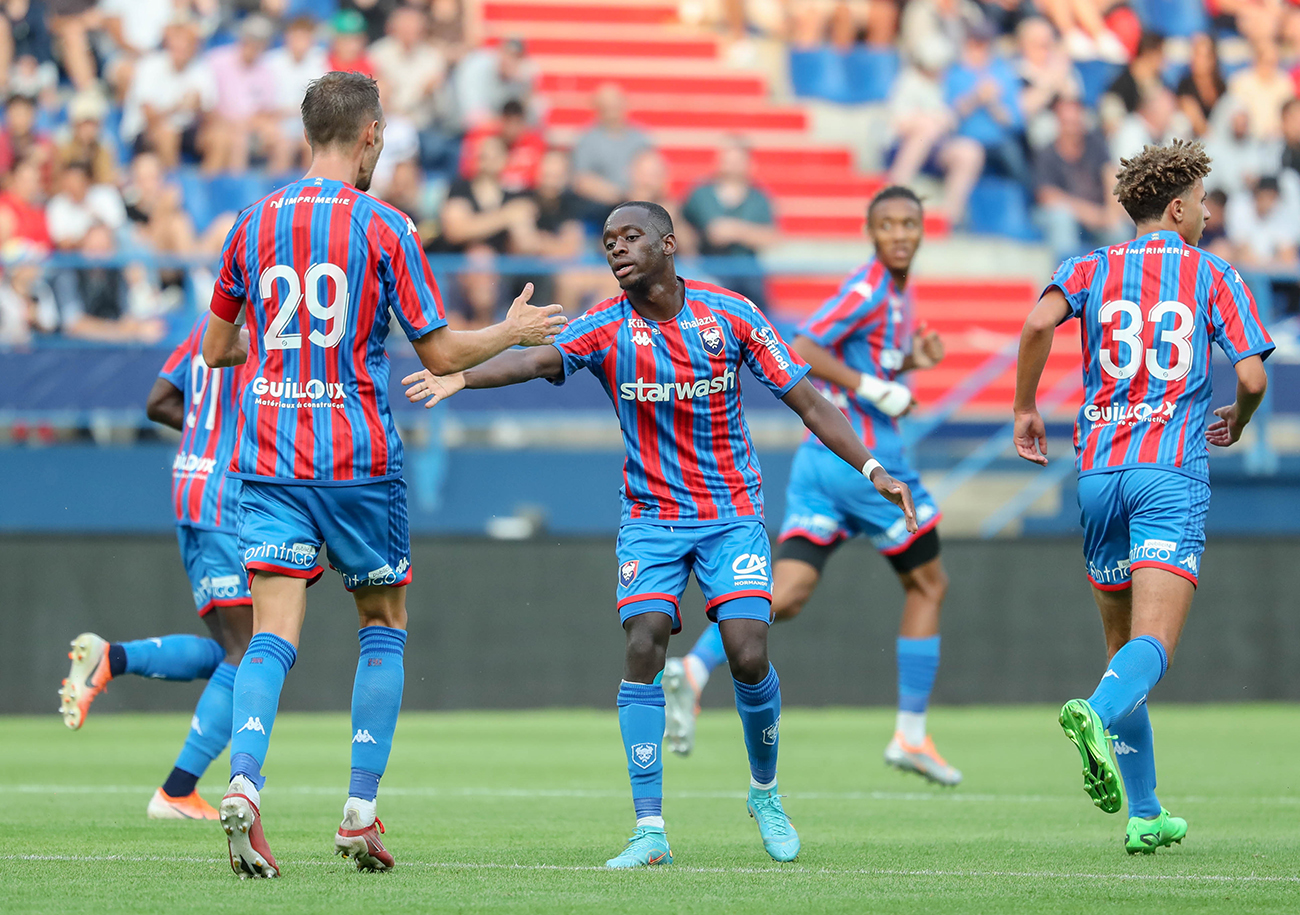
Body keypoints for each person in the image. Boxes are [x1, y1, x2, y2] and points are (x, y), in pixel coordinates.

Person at [401, 200, 918, 868]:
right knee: (644, 641)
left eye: (630, 236)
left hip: (730, 513)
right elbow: (536, 362)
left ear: (668, 244)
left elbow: (810, 400)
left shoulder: (731, 315)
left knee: (748, 651)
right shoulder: (603, 327)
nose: (615, 249)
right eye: (608, 240)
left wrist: (873, 467)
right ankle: (650, 829)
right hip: (651, 520)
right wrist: (458, 377)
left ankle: (765, 792)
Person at [199, 71, 565, 879]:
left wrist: (267, 355)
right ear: (368, 136)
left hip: (269, 453)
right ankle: (359, 810)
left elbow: (215, 349)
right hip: (356, 454)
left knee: (270, 634)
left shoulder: (251, 223)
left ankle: (246, 785)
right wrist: (508, 330)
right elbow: (437, 353)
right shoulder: (386, 226)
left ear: (308, 133)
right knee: (383, 622)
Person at [1013, 139, 1273, 854]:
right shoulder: (1214, 273)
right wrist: (1240, 421)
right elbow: (1250, 378)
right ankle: (1094, 713)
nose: (1210, 212)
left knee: (1122, 647)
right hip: (1169, 472)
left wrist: (1025, 407)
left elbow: (1037, 323)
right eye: (1203, 199)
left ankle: (1146, 809)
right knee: (1153, 645)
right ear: (1180, 205)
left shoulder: (1088, 267)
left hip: (1098, 473)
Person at [663, 187, 959, 784]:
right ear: (870, 232)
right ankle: (910, 733)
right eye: (887, 224)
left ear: (923, 230)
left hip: (818, 467)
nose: (900, 233)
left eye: (909, 223)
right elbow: (804, 347)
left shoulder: (896, 292)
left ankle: (693, 669)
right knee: (928, 584)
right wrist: (877, 391)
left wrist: (903, 366)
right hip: (867, 460)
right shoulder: (869, 287)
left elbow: (857, 358)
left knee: (789, 592)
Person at [57, 313, 254, 820]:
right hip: (226, 499)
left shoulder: (205, 325)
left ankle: (112, 659)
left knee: (229, 653)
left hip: (189, 486)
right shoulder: (273, 330)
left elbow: (158, 402)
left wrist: (205, 435)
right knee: (251, 653)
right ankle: (176, 790)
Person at [681, 135, 777, 312]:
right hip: (707, 269)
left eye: (737, 159)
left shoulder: (759, 197)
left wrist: (736, 231)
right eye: (727, 158)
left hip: (748, 274)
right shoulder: (700, 193)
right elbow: (681, 225)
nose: (731, 164)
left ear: (748, 162)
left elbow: (771, 237)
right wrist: (690, 252)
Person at [1033, 97, 1127, 261]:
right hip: (1069, 214)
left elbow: (1111, 176)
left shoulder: (1095, 144)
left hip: (1099, 215)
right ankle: (1067, 278)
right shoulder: (1047, 153)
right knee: (1060, 218)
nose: (1072, 128)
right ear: (1058, 123)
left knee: (1119, 230)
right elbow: (1047, 196)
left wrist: (1111, 213)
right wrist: (1091, 214)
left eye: (1075, 122)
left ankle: (1117, 282)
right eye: (1067, 122)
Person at [571, 83, 652, 206]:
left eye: (615, 105)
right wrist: (622, 196)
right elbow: (582, 181)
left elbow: (653, 172)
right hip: (599, 209)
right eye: (607, 107)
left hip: (637, 205)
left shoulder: (640, 138)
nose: (612, 111)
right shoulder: (587, 140)